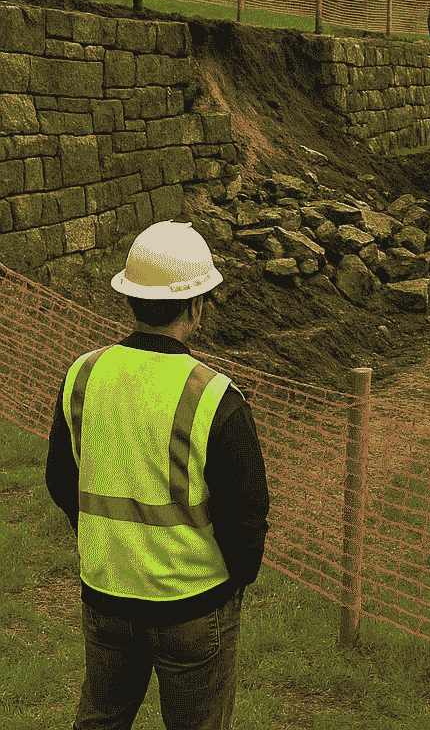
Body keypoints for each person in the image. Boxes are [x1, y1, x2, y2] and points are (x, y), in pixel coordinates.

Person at [45, 220, 270, 730]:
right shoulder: (214, 397)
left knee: (101, 718)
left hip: (105, 595)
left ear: (130, 298)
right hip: (192, 606)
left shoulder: (82, 374)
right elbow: (247, 516)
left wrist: (104, 543)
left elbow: (60, 479)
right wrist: (233, 583)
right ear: (196, 307)